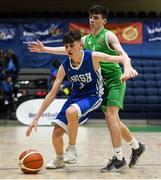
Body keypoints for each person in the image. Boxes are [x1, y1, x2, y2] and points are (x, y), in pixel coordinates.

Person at [28, 5, 145, 172]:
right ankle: (136, 146)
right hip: (101, 81)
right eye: (90, 17)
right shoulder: (85, 40)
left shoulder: (108, 36)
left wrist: (127, 68)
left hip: (115, 79)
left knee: (110, 116)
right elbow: (69, 49)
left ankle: (118, 158)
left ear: (104, 21)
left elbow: (122, 54)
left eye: (96, 17)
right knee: (115, 120)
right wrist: (45, 49)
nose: (92, 20)